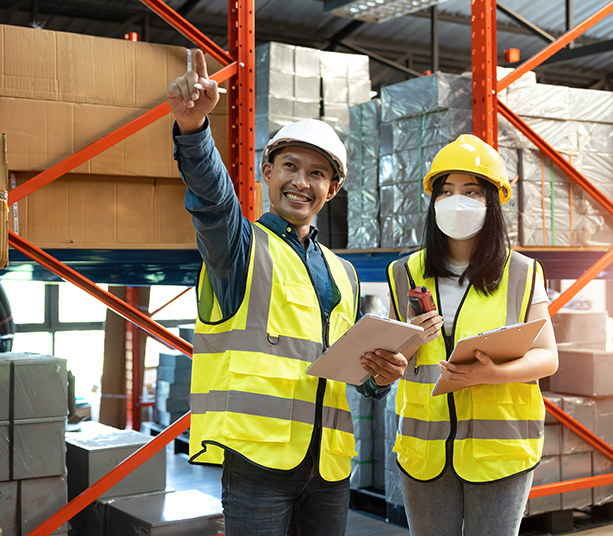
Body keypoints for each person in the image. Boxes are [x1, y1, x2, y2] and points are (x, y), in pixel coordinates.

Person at [167, 49, 407, 536]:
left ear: (332, 190)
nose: (301, 182)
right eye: (290, 166)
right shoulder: (239, 249)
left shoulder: (344, 273)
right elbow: (212, 203)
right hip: (258, 462)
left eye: (317, 174)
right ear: (266, 171)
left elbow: (354, 374)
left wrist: (382, 377)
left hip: (330, 467)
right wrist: (194, 133)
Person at [386, 134, 558, 536]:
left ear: (491, 203)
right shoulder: (404, 273)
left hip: (499, 451)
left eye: (470, 191)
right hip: (425, 449)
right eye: (445, 191)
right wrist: (406, 341)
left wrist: (490, 373)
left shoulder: (522, 272)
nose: (455, 201)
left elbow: (547, 356)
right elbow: (393, 362)